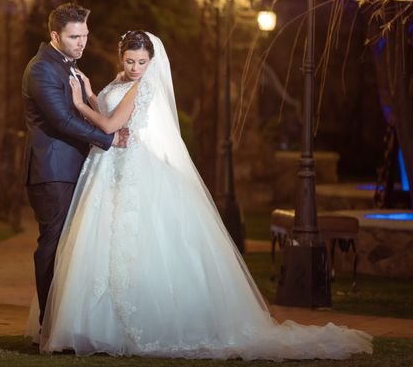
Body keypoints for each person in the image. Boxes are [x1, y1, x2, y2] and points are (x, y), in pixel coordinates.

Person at [35, 30, 372, 360]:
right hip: (108, 167)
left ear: (152, 61)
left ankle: (136, 323)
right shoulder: (120, 81)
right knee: (99, 241)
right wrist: (94, 96)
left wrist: (79, 102)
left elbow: (108, 127)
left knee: (135, 240)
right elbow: (109, 114)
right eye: (130, 60)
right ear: (120, 57)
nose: (136, 67)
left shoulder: (142, 85)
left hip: (131, 165)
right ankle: (93, 326)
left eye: (142, 61)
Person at [21, 3, 127, 327]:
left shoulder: (67, 66)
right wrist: (108, 139)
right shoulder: (42, 69)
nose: (82, 43)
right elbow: (62, 120)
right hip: (52, 173)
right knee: (52, 246)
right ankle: (48, 324)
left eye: (85, 35)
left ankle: (64, 322)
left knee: (70, 246)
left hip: (70, 169)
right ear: (55, 35)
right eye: (74, 36)